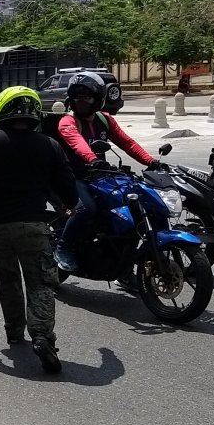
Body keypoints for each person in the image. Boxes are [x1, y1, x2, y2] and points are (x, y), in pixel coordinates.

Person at [0, 86, 77, 374]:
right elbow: (67, 185)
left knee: (6, 279)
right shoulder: (49, 144)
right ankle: (43, 337)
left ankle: (14, 331)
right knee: (40, 283)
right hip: (34, 224)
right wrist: (71, 205)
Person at [53, 72, 161, 275]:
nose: (81, 101)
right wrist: (93, 158)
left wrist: (151, 161)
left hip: (100, 176)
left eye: (87, 96)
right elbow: (78, 143)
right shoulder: (67, 122)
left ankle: (124, 265)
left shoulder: (105, 120)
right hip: (73, 177)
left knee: (133, 207)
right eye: (77, 97)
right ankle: (63, 249)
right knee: (86, 209)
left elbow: (127, 143)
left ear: (99, 99)